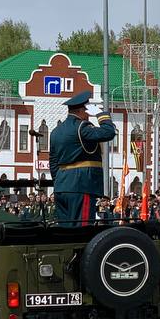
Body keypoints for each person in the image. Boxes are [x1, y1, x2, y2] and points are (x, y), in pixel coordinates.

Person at [49, 90, 116, 226]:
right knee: (82, 228)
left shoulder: (56, 131)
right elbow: (109, 132)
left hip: (61, 187)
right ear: (81, 110)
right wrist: (101, 114)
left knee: (65, 229)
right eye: (87, 111)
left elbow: (53, 161)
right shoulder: (82, 127)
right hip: (81, 185)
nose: (88, 115)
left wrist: (60, 182)